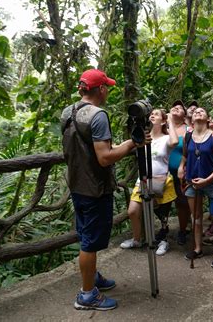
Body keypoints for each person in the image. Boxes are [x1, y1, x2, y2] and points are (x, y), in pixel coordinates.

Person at [61, 69, 148, 311]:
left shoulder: (68, 112)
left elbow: (89, 149)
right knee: (89, 241)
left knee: (86, 234)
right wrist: (134, 143)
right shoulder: (98, 115)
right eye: (106, 86)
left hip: (77, 184)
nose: (108, 90)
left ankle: (93, 277)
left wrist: (125, 143)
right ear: (100, 89)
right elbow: (105, 157)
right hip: (94, 188)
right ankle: (87, 295)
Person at [120, 109, 178, 256]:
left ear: (163, 120)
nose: (152, 115)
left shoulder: (166, 138)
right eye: (151, 113)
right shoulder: (143, 137)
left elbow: (175, 141)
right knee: (133, 211)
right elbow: (126, 146)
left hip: (161, 180)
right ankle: (137, 239)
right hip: (143, 180)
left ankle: (163, 240)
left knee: (162, 214)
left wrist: (171, 121)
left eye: (157, 114)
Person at [178, 107, 213, 266]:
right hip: (192, 182)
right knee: (196, 217)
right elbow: (185, 155)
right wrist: (181, 167)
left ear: (208, 118)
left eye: (202, 111)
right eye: (196, 111)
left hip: (211, 183)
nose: (198, 112)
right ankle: (198, 248)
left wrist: (207, 180)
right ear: (192, 120)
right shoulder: (188, 136)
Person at [168, 100, 192, 245]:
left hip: (183, 173)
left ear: (184, 115)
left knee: (182, 202)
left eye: (180, 108)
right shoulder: (163, 127)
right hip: (163, 173)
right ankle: (163, 228)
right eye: (174, 106)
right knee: (161, 202)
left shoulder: (189, 129)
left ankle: (183, 230)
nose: (176, 108)